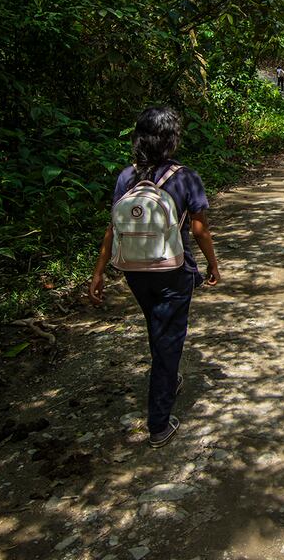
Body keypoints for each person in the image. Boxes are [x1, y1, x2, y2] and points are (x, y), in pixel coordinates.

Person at [89, 106, 221, 448]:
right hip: (173, 269)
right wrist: (213, 264)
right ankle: (159, 423)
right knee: (169, 338)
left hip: (133, 270)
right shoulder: (186, 177)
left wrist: (99, 271)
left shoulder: (125, 177)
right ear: (172, 140)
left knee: (156, 326)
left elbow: (113, 227)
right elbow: (199, 229)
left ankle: (168, 378)